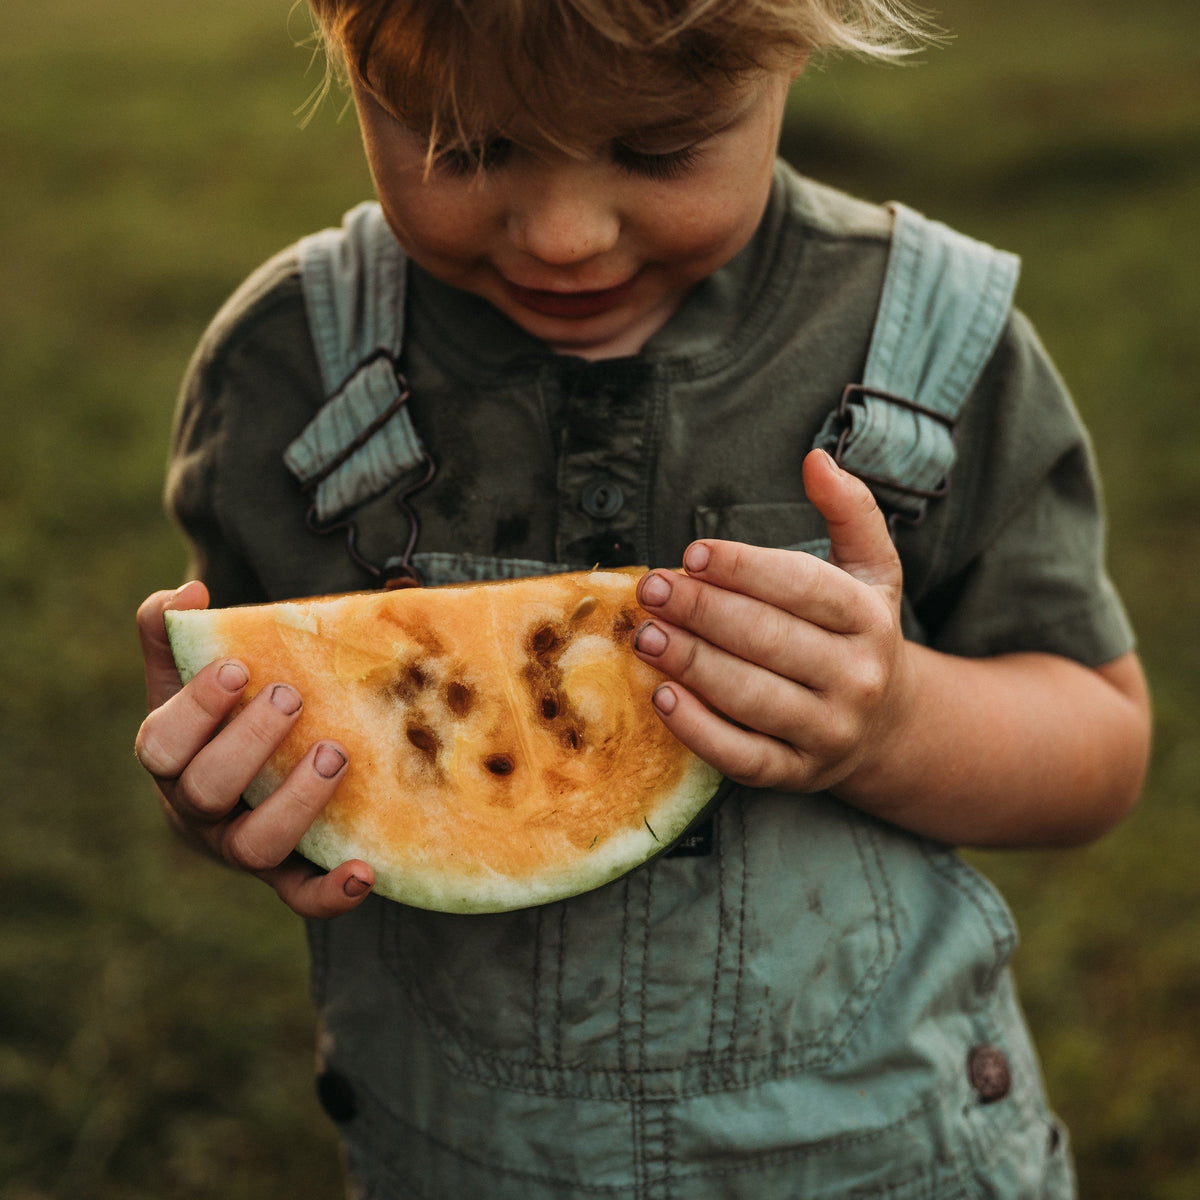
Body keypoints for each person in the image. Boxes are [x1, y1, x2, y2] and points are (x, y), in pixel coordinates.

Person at [134, 0, 1152, 1195]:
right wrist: (221, 804)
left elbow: (1101, 741)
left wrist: (897, 720)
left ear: (791, 60)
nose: (562, 236)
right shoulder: (288, 368)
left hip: (886, 1158)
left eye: (658, 150)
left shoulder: (935, 351)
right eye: (464, 145)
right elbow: (282, 735)